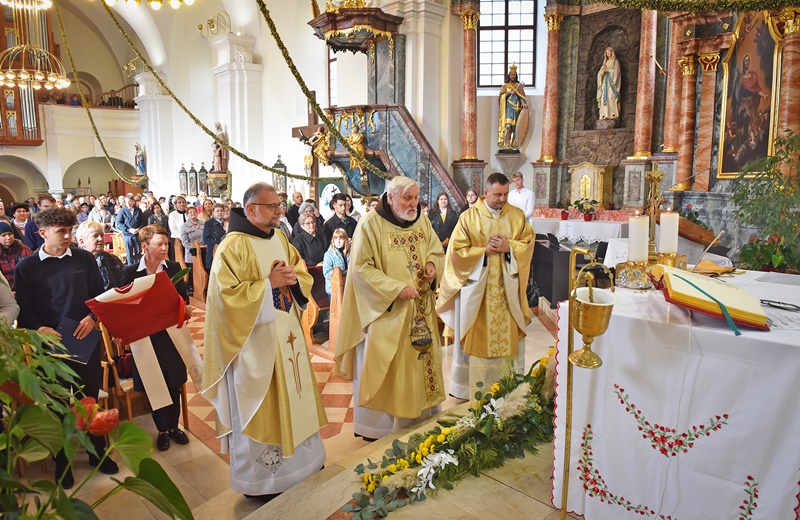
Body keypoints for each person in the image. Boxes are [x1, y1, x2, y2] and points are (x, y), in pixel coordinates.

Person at [201, 182, 327, 500]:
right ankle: (263, 482)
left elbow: (300, 272)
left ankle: (305, 464)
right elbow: (224, 300)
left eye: (279, 206)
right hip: (253, 346)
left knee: (295, 397)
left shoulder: (280, 238)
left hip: (288, 338)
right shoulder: (231, 247)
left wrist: (293, 279)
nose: (279, 211)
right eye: (272, 207)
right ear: (251, 209)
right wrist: (267, 283)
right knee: (261, 408)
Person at [14, 207, 119, 488]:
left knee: (89, 400)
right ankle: (63, 460)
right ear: (43, 233)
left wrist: (92, 317)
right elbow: (25, 309)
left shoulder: (84, 259)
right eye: (61, 231)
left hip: (84, 340)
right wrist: (39, 329)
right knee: (58, 405)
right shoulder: (27, 267)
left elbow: (98, 296)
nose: (67, 236)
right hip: (51, 347)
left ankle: (97, 453)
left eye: (70, 230)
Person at [335, 176, 445, 441]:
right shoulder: (370, 224)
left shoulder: (420, 220)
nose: (413, 203)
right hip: (388, 312)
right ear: (391, 197)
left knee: (421, 363)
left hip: (420, 311)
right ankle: (381, 429)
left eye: (416, 198)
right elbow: (361, 268)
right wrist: (395, 289)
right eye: (407, 198)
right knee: (390, 367)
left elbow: (435, 249)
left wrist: (433, 266)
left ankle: (421, 417)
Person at [436, 173, 535, 400]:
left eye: (506, 194)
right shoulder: (469, 218)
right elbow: (456, 252)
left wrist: (510, 247)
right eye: (498, 195)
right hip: (478, 294)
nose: (503, 199)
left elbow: (528, 244)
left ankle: (509, 387)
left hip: (507, 292)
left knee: (508, 342)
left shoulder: (517, 216)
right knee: (477, 338)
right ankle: (471, 389)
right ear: (486, 193)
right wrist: (484, 252)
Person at [119, 225, 192, 451]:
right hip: (146, 337)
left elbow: (182, 297)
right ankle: (162, 430)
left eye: (166, 244)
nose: (164, 248)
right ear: (144, 246)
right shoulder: (131, 271)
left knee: (174, 381)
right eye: (159, 244)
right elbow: (123, 306)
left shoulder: (173, 268)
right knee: (155, 383)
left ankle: (174, 426)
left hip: (172, 334)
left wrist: (185, 307)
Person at [76, 221, 125, 291]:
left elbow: (123, 286)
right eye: (95, 236)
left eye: (102, 235)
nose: (100, 239)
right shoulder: (75, 262)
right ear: (82, 242)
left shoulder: (113, 260)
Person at [498, 64, 527, 149]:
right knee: (508, 127)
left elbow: (521, 97)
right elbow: (501, 97)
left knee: (515, 128)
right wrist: (508, 93)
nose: (513, 76)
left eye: (514, 75)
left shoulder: (518, 86)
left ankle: (512, 145)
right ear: (509, 75)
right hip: (508, 109)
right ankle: (505, 145)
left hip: (517, 109)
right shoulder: (505, 86)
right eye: (511, 74)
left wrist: (523, 103)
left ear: (516, 75)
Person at [0, 221, 32, 290]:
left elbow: (33, 269)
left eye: (10, 234)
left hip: (24, 287)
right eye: (3, 235)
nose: (8, 238)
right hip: (3, 290)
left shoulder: (23, 249)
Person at [180, 205, 203, 294]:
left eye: (194, 212)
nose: (193, 213)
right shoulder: (184, 226)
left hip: (203, 250)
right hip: (191, 253)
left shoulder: (203, 223)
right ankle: (192, 288)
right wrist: (195, 247)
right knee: (193, 273)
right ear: (187, 215)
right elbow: (185, 242)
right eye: (190, 212)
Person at [116, 194, 144, 265]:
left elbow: (143, 221)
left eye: (130, 201)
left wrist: (138, 229)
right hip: (127, 235)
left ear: (133, 201)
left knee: (138, 252)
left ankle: (139, 267)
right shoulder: (122, 211)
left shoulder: (138, 210)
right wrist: (128, 229)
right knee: (129, 253)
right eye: (127, 201)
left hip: (137, 234)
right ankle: (130, 268)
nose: (129, 203)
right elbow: (119, 223)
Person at [322, 228, 349, 296]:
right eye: (336, 239)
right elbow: (327, 273)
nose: (338, 241)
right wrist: (343, 272)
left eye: (341, 239)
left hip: (349, 286)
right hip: (334, 289)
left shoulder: (350, 252)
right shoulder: (329, 254)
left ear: (345, 240)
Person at [597, 47, 621, 120]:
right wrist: (602, 72)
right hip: (605, 82)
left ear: (612, 52)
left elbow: (617, 72)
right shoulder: (606, 62)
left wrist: (609, 70)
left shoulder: (615, 61)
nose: (608, 54)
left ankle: (613, 113)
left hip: (612, 83)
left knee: (611, 96)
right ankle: (604, 114)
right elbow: (599, 73)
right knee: (604, 97)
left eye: (609, 52)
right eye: (606, 52)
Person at [202, 203, 226, 271]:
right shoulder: (208, 223)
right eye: (217, 211)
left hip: (225, 251)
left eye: (221, 211)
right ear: (213, 213)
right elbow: (206, 238)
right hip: (213, 251)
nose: (220, 212)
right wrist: (217, 244)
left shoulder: (227, 222)